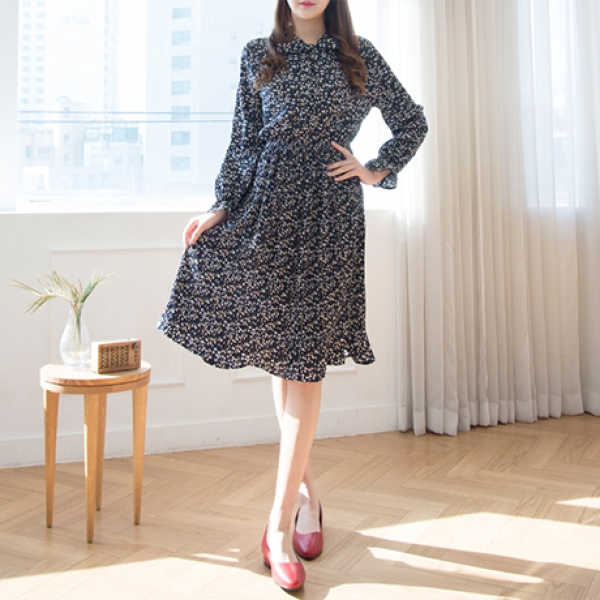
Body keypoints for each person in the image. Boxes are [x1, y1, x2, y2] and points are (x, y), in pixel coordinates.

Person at [158, 0, 427, 591]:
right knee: (285, 361)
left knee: (304, 366)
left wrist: (374, 169)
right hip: (267, 214)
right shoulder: (259, 55)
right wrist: (219, 208)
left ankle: (277, 529)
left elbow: (412, 121)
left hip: (330, 218)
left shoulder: (358, 57)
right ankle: (307, 497)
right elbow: (243, 143)